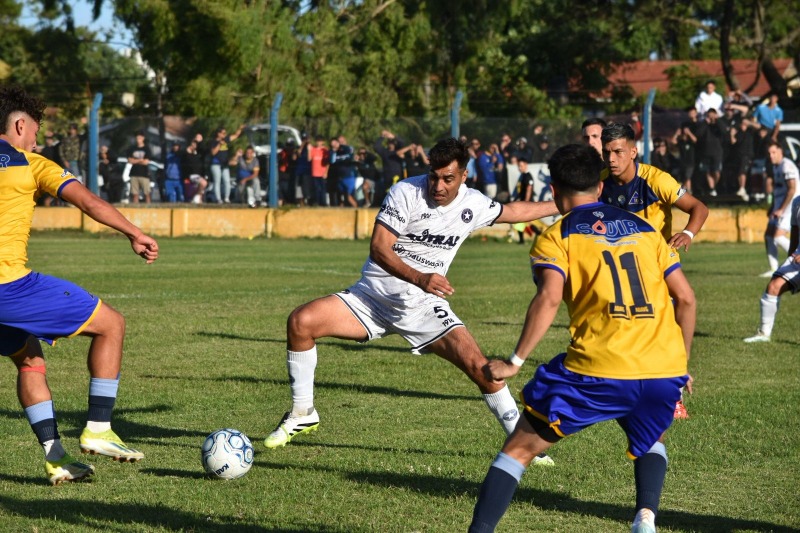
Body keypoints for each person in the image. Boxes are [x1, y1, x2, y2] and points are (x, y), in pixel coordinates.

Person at [264, 137, 559, 465]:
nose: (439, 185)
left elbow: (514, 211)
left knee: (482, 368)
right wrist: (420, 277)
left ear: (464, 176)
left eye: (448, 178)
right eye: (434, 176)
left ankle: (525, 447)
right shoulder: (405, 193)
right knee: (301, 322)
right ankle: (303, 411)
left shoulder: (472, 204)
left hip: (423, 308)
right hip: (371, 300)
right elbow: (379, 247)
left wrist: (564, 204)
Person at [468, 143, 693, 533]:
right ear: (601, 187)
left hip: (598, 369)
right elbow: (686, 298)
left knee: (518, 450)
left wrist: (515, 361)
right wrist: (680, 366)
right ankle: (645, 518)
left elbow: (550, 296)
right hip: (662, 368)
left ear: (553, 191)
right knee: (648, 437)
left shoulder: (557, 236)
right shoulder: (647, 231)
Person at [0, 85, 159, 484]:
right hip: (9, 287)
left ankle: (56, 457)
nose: (37, 139)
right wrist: (133, 232)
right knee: (112, 324)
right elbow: (88, 201)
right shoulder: (31, 163)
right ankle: (99, 429)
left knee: (31, 361)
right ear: (19, 124)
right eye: (35, 130)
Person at [600, 122, 706, 419]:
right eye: (607, 152)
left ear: (633, 152)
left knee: (685, 300)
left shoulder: (656, 180)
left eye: (618, 151)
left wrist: (688, 233)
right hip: (620, 266)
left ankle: (678, 378)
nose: (611, 159)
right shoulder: (600, 184)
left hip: (659, 258)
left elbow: (699, 207)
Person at [744, 194, 800, 343]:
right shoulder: (797, 202)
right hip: (797, 261)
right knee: (774, 287)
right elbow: (795, 232)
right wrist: (790, 258)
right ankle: (763, 334)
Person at [758, 141, 799, 277]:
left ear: (781, 152)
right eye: (769, 153)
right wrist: (773, 207)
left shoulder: (787, 166)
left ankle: (797, 260)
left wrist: (781, 209)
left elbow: (792, 189)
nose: (771, 155)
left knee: (778, 237)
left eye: (774, 152)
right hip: (780, 205)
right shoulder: (776, 167)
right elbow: (779, 190)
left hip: (791, 206)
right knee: (769, 236)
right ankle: (774, 269)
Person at [209, 124, 244, 204]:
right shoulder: (213, 142)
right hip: (216, 164)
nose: (225, 135)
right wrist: (219, 144)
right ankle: (218, 199)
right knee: (217, 181)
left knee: (227, 181)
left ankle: (226, 198)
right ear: (219, 134)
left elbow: (235, 135)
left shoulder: (226, 140)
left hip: (224, 164)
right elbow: (213, 153)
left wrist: (240, 128)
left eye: (225, 133)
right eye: (223, 133)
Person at [127, 130, 152, 204]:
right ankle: (136, 206)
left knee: (146, 193)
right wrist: (140, 160)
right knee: (135, 194)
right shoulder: (132, 148)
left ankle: (149, 208)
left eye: (140, 138)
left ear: (143, 138)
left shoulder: (147, 149)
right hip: (134, 173)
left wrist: (135, 160)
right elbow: (130, 160)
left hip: (144, 174)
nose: (138, 140)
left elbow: (146, 162)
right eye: (137, 138)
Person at [182, 137, 208, 204]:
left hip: (199, 175)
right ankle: (196, 196)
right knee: (203, 183)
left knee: (201, 188)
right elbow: (183, 154)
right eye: (192, 145)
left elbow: (205, 150)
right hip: (192, 175)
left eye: (195, 145)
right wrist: (188, 150)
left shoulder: (198, 154)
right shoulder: (187, 154)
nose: (194, 146)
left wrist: (200, 141)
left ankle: (197, 198)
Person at [310, 135, 329, 206]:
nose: (319, 143)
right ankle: (317, 202)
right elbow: (309, 159)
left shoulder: (325, 150)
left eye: (320, 141)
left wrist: (326, 172)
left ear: (323, 142)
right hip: (315, 173)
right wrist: (309, 150)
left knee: (323, 188)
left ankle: (323, 202)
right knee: (316, 188)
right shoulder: (313, 150)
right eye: (317, 141)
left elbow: (327, 163)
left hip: (322, 173)